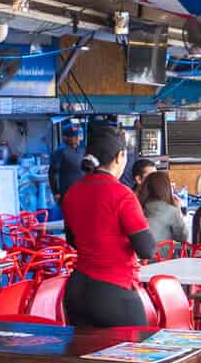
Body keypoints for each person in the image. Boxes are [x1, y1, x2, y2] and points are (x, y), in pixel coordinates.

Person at [61, 125, 156, 328]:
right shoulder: (122, 195)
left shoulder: (72, 192)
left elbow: (72, 240)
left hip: (76, 292)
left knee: (86, 357)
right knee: (138, 355)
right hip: (114, 291)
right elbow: (146, 249)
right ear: (120, 156)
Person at [140, 170, 187, 246]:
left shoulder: (137, 206)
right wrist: (179, 211)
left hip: (137, 256)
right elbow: (182, 237)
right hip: (162, 256)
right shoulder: (171, 211)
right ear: (166, 188)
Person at [49, 124, 85, 205]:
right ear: (66, 138)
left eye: (78, 136)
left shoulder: (81, 149)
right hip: (67, 192)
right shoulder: (61, 151)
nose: (77, 138)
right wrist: (56, 192)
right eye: (74, 136)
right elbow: (52, 173)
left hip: (81, 191)